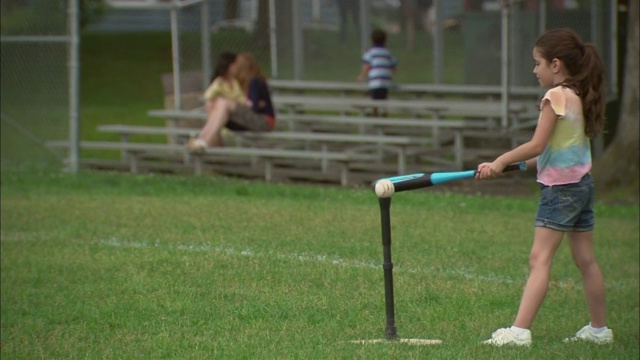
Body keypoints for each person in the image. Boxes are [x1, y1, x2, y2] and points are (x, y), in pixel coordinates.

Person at [476, 28, 612, 346]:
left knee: (540, 259)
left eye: (537, 63)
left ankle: (519, 331)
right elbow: (558, 150)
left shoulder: (555, 97)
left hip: (560, 191)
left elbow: (537, 144)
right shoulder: (578, 95)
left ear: (555, 64)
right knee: (586, 260)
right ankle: (599, 330)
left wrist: (500, 160)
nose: (534, 70)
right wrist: (518, 165)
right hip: (582, 186)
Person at [187, 52, 276, 151]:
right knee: (219, 102)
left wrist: (248, 104)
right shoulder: (242, 82)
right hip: (253, 120)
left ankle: (205, 141)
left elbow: (254, 108)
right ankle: (202, 139)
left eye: (236, 65)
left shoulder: (254, 81)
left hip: (264, 122)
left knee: (224, 103)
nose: (233, 68)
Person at [357, 28, 397, 116]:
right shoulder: (388, 52)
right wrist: (391, 73)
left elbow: (367, 65)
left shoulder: (370, 52)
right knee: (383, 99)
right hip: (386, 82)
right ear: (385, 40)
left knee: (375, 101)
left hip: (375, 82)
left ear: (372, 40)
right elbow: (393, 65)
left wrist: (362, 76)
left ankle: (376, 117)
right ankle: (384, 115)